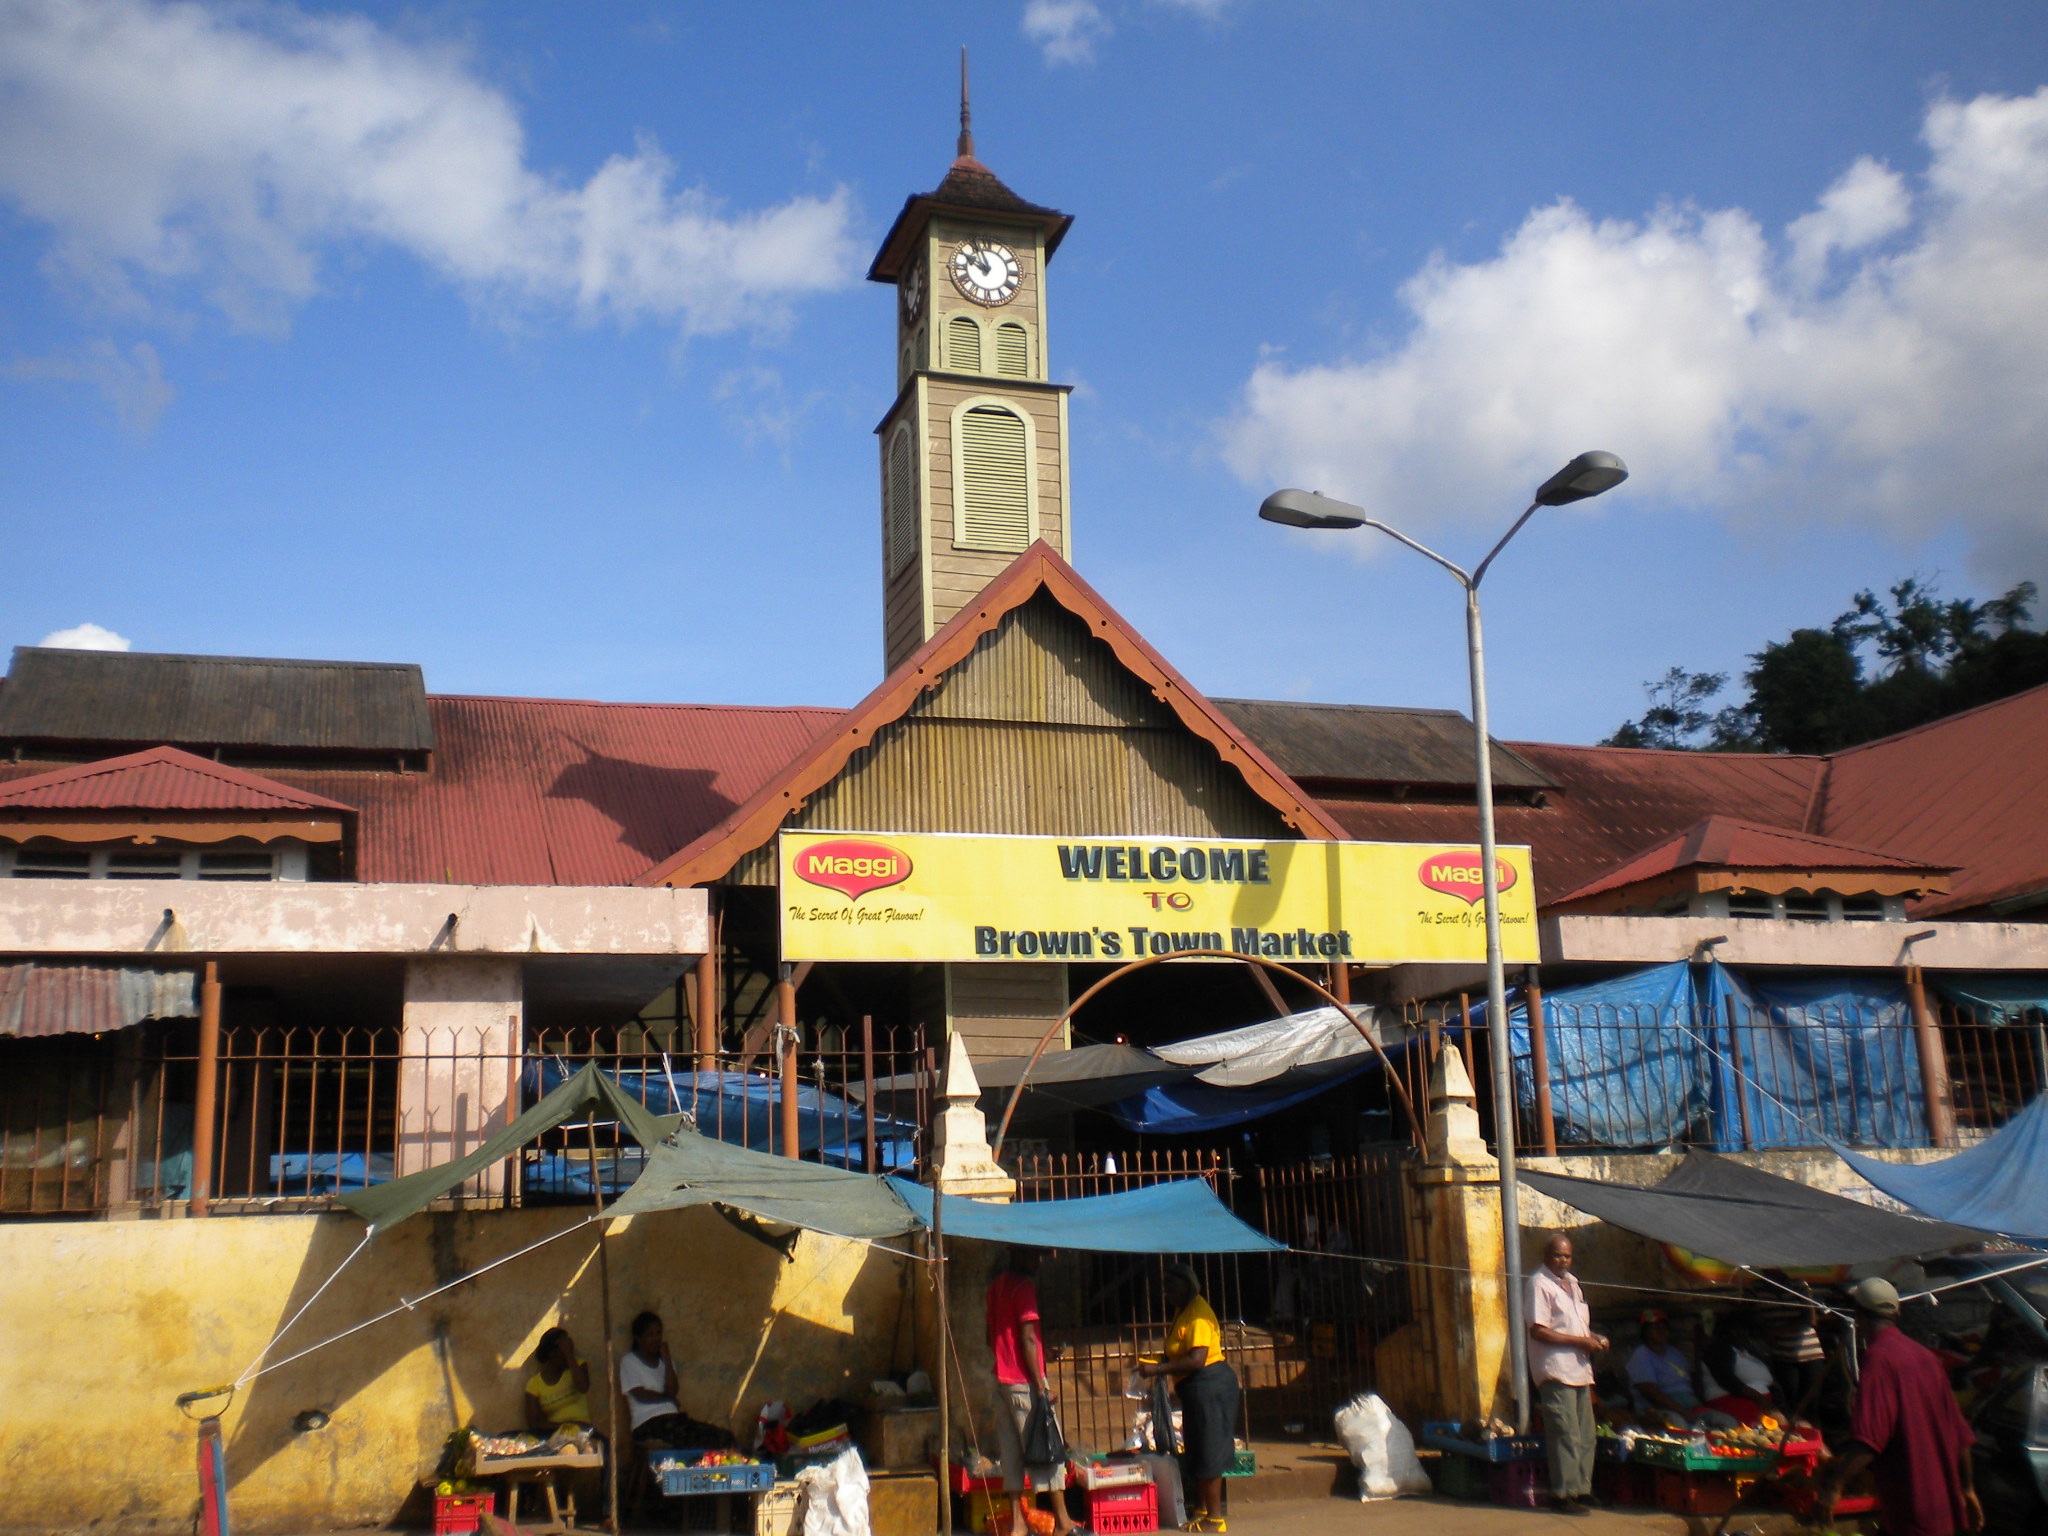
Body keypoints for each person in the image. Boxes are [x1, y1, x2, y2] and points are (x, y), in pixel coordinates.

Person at [1815, 1278, 1982, 1536]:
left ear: (1860, 1318)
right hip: (1940, 1509)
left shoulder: (1879, 1358)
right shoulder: (1924, 1356)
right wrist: (1967, 1488)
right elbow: (1961, 1436)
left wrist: (1834, 1485)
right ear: (1897, 1314)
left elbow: (1869, 1441)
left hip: (1911, 1510)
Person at [1136, 1262, 1242, 1535]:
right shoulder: (1182, 1312)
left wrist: (1158, 1369)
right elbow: (1181, 1352)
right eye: (1164, 1289)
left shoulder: (1198, 1314)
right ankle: (1203, 1509)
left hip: (1211, 1386)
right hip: (1195, 1389)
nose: (1166, 1293)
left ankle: (1215, 1518)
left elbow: (1196, 1359)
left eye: (1171, 1287)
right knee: (1196, 1446)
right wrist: (1158, 1362)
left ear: (1188, 1286)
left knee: (1209, 1448)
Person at [986, 1248, 1077, 1536]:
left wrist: (1040, 1354)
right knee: (1046, 1449)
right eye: (1034, 1256)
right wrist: (1040, 1385)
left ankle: (1017, 1524)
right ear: (1018, 1256)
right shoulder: (1024, 1287)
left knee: (1011, 1453)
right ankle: (1063, 1522)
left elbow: (996, 1333)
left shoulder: (997, 1285)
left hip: (1001, 1379)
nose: (1038, 1262)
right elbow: (1026, 1337)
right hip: (1024, 1382)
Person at [1526, 1233, 1607, 1514]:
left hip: (1580, 1369)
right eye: (1558, 1255)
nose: (1563, 1260)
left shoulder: (1573, 1283)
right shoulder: (1539, 1283)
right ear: (1546, 1255)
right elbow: (1538, 1330)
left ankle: (1582, 1489)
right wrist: (1580, 1342)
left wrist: (1594, 1338)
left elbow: (1576, 1327)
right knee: (1565, 1433)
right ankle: (1562, 1495)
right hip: (1556, 1370)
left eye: (1567, 1255)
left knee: (1586, 1435)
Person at [1699, 1312, 1784, 1426]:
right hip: (1730, 1401)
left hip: (1760, 1402)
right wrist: (1760, 1398)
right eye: (1739, 1330)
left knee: (1798, 1425)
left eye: (1746, 1330)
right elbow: (1728, 1381)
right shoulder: (1719, 1350)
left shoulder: (1745, 1350)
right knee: (1781, 1423)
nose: (1744, 1334)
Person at [620, 1312, 688, 1445]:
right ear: (638, 1338)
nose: (656, 1339)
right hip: (647, 1423)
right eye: (650, 1335)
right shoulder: (629, 1361)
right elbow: (642, 1395)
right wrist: (669, 1398)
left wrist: (667, 1359)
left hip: (673, 1419)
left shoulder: (666, 1362)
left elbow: (672, 1391)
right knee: (681, 1435)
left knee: (717, 1436)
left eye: (658, 1333)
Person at [1625, 1310, 1701, 1428]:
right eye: (1657, 1328)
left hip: (1690, 1405)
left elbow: (1692, 1380)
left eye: (1664, 1328)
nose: (1662, 1331)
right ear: (1646, 1331)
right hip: (1661, 1408)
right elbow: (1652, 1394)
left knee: (1725, 1421)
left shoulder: (1675, 1353)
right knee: (1680, 1425)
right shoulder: (1641, 1355)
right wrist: (1683, 1412)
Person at [524, 1326, 595, 1433]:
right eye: (563, 1349)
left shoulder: (578, 1366)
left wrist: (569, 1356)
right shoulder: (534, 1384)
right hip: (556, 1434)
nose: (568, 1352)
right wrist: (566, 1426)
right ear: (551, 1353)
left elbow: (583, 1387)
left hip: (583, 1431)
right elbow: (534, 1423)